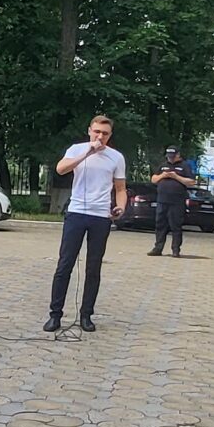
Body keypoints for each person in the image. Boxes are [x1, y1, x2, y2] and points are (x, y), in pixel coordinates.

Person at [46, 115, 127, 334]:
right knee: (65, 264)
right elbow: (61, 169)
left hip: (101, 216)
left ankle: (86, 314)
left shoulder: (116, 157)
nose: (100, 136)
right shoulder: (76, 149)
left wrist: (120, 207)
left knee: (94, 267)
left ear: (110, 136)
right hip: (76, 212)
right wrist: (87, 153)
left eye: (105, 133)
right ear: (90, 130)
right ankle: (55, 315)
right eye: (97, 132)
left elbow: (120, 188)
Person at [147, 151, 197, 257]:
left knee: (176, 225)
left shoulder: (184, 166)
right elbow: (153, 179)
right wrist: (163, 175)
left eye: (173, 157)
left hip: (177, 201)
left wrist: (176, 177)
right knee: (160, 224)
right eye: (169, 157)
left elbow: (191, 182)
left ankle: (175, 249)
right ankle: (158, 248)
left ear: (178, 155)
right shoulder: (163, 165)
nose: (171, 159)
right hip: (162, 200)